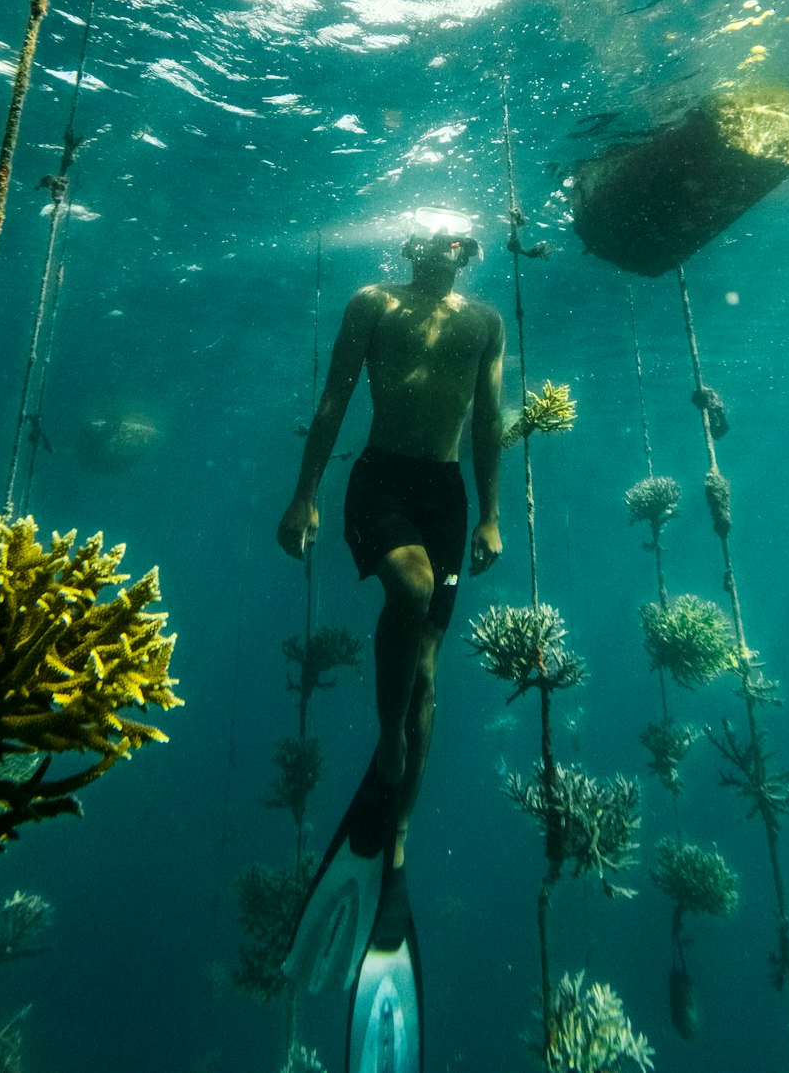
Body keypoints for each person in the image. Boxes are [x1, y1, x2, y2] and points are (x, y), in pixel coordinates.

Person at [277, 213, 504, 1021]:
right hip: (380, 481)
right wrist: (305, 492)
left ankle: (397, 827)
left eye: (465, 245)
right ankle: (388, 746)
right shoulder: (371, 302)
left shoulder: (484, 321)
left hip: (445, 494)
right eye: (441, 240)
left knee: (431, 675)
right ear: (413, 247)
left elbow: (486, 419)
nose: (455, 252)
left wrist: (490, 512)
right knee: (408, 593)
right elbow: (336, 396)